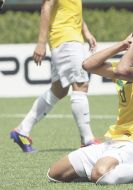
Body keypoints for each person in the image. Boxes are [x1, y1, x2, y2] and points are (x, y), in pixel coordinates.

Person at [47, 18, 133, 184]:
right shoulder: (124, 66)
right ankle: (112, 168)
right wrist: (123, 45)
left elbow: (122, 70)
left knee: (99, 174)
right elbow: (88, 64)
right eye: (132, 35)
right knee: (55, 173)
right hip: (111, 142)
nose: (132, 40)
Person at [10, 0, 98, 153]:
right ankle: (87, 139)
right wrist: (41, 43)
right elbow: (46, 7)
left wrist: (86, 32)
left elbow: (72, 11)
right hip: (66, 39)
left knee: (59, 90)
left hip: (67, 39)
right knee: (81, 85)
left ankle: (22, 130)